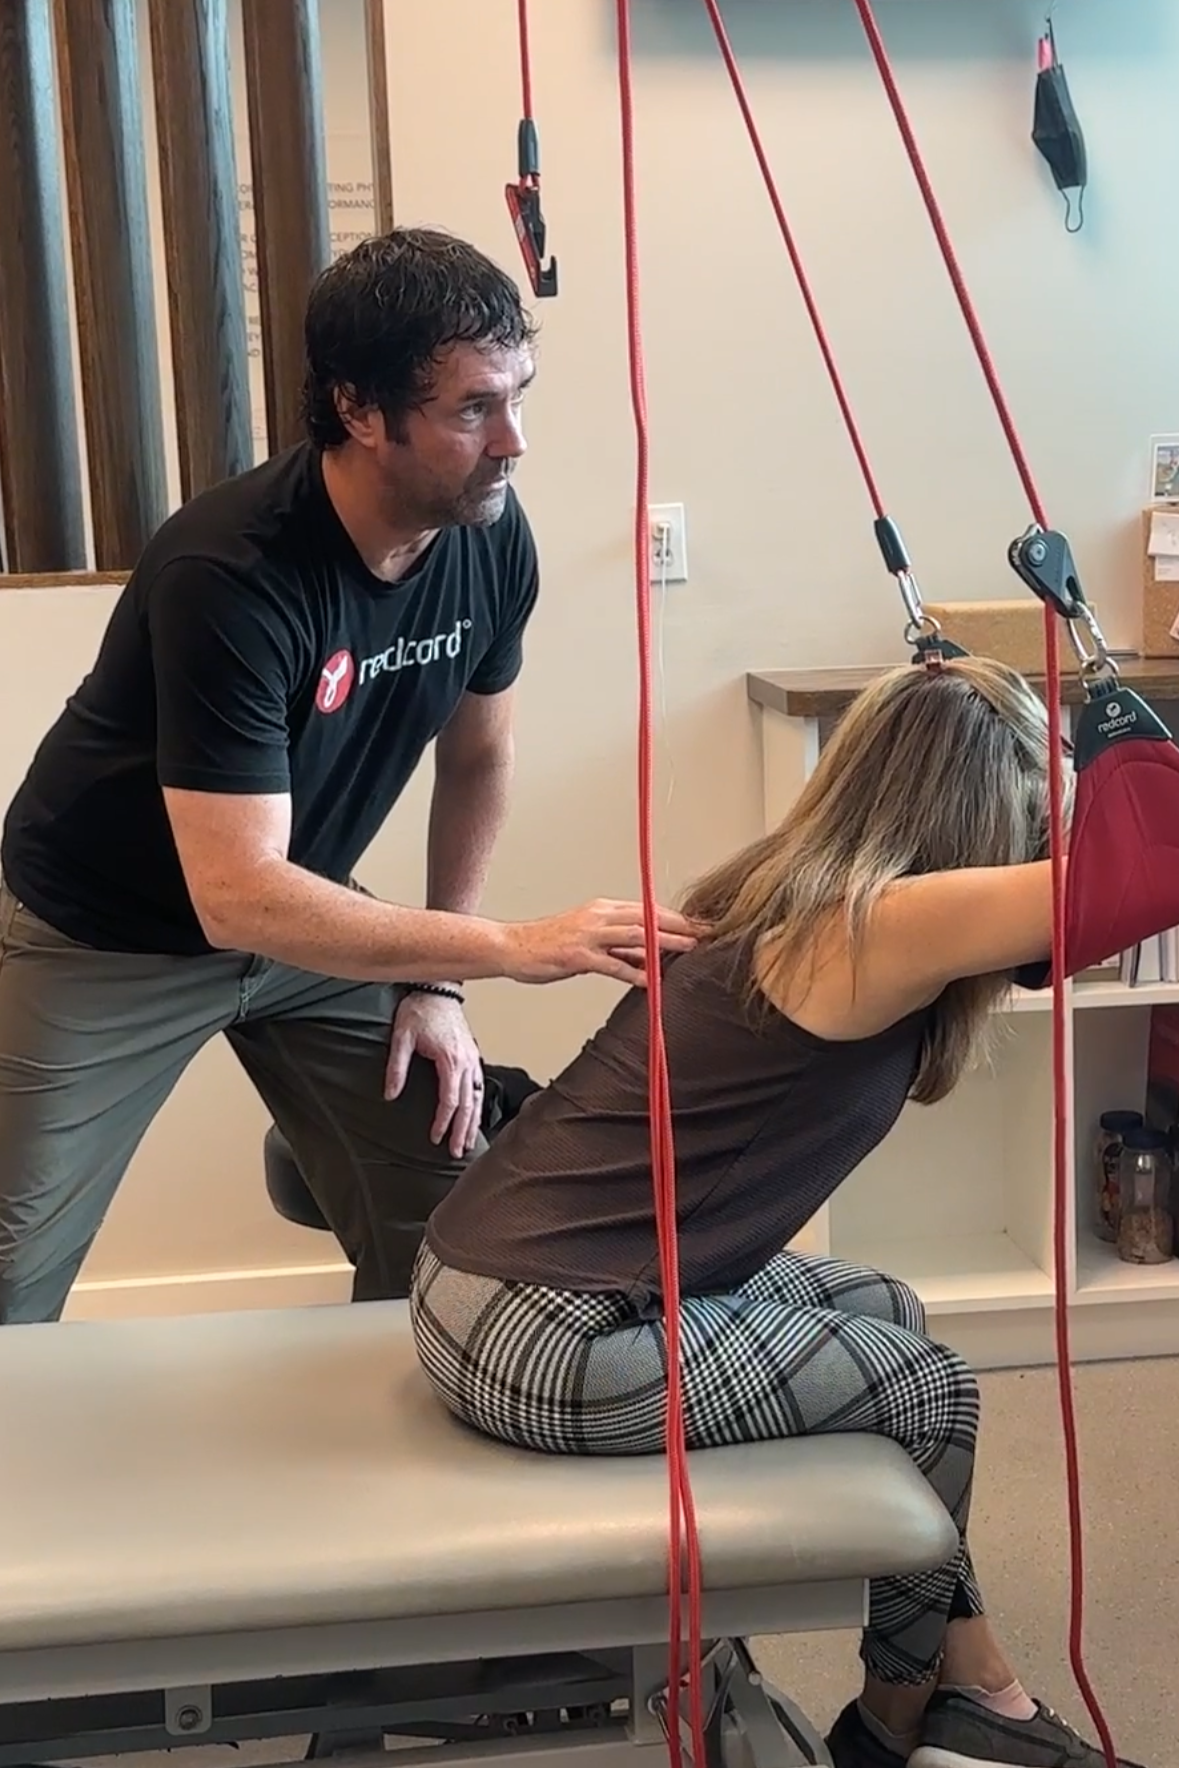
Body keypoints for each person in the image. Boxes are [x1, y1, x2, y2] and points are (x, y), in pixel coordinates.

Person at [410, 655, 1143, 1768]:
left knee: (887, 1306)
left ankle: (978, 1688)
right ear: (978, 818)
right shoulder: (872, 925)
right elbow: (1122, 882)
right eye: (1042, 820)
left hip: (499, 1282)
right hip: (542, 1325)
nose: (1050, 845)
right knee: (929, 1392)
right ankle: (899, 1722)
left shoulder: (794, 905)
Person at [0, 226, 695, 1327]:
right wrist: (513, 946)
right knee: (8, 1266)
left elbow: (479, 754)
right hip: (107, 933)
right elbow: (234, 893)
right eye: (474, 409)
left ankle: (414, 1466)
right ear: (363, 412)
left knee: (457, 1198)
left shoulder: (488, 538)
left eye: (520, 393)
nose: (514, 440)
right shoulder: (228, 573)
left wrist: (442, 980)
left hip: (306, 918)